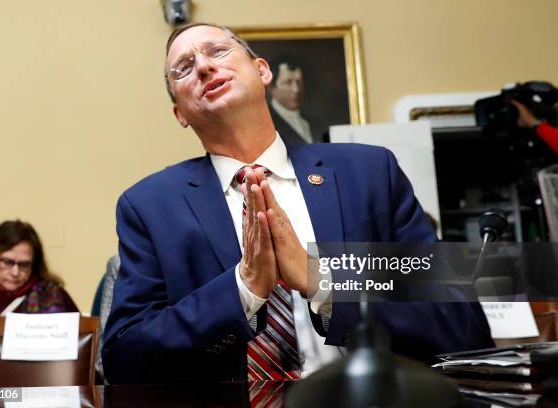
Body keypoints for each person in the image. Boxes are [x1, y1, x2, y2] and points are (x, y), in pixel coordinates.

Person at [103, 22, 492, 385]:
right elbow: (124, 359)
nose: (203, 66)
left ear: (262, 71)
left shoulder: (369, 174)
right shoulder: (150, 207)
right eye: (183, 68)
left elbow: (459, 321)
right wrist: (244, 289)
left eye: (217, 51)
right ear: (179, 114)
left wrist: (322, 283)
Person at [268, 56, 318, 144]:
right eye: (288, 82)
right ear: (272, 87)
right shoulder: (266, 123)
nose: (296, 90)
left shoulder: (313, 122)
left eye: (299, 82)